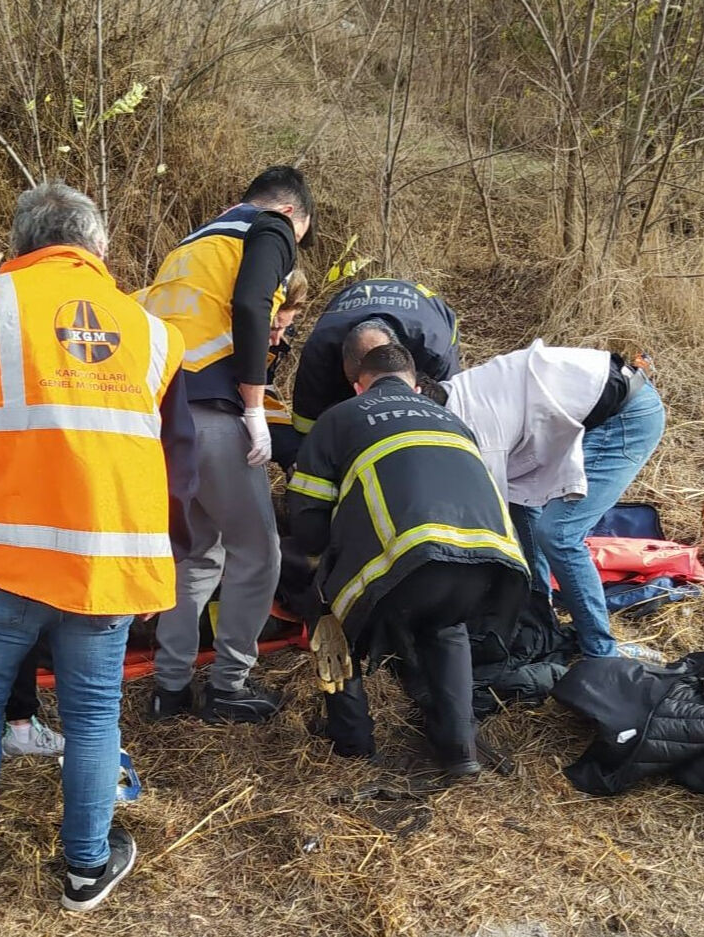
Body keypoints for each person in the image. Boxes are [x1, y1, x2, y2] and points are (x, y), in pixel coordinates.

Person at [0, 182, 197, 912]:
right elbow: (180, 461)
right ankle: (86, 869)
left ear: (19, 243)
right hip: (106, 567)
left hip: (2, 560)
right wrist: (165, 547)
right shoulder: (152, 331)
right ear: (99, 249)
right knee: (95, 717)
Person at [285, 344, 530, 772]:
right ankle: (460, 749)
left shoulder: (341, 417)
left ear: (359, 386)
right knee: (446, 627)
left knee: (329, 618)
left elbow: (307, 522)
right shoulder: (456, 422)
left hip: (409, 560)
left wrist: (332, 552)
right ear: (417, 386)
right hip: (492, 566)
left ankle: (352, 742)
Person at [134, 166, 314, 724]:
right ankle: (229, 685)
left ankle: (170, 687)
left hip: (165, 416)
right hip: (215, 410)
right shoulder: (268, 227)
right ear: (290, 214)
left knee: (196, 554)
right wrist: (255, 406)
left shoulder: (188, 247)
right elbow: (252, 304)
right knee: (259, 554)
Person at [422, 339, 666, 661]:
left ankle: (602, 656)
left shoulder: (478, 428)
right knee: (521, 505)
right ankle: (540, 618)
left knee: (559, 534)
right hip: (581, 412)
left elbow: (489, 525)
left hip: (626, 417)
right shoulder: (449, 395)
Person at [290, 278, 460, 437]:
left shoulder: (433, 350)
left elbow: (446, 413)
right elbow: (307, 418)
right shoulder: (320, 349)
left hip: (425, 311)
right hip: (355, 297)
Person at [263, 267, 308, 474]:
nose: (276, 339)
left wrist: (292, 452)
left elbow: (263, 393)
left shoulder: (274, 344)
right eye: (272, 328)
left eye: (284, 328)